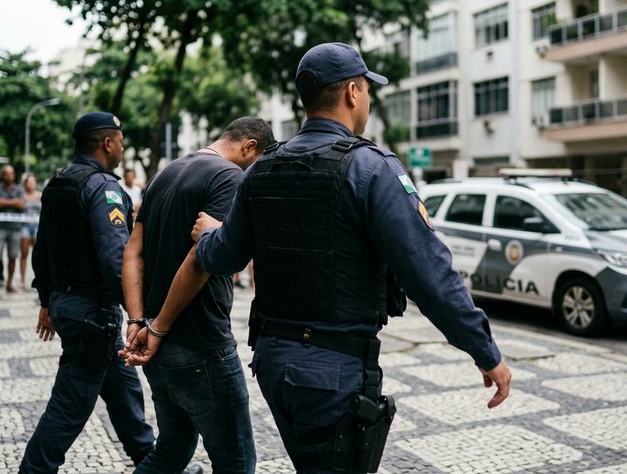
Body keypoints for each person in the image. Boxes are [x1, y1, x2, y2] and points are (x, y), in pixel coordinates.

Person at [137, 42, 513, 473]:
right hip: (334, 371)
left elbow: (223, 256)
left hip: (274, 365)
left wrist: (209, 235)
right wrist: (484, 350)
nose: (368, 98)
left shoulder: (262, 168)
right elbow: (429, 272)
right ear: (353, 92)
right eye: (367, 89)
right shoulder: (371, 167)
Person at [119, 117, 275, 473]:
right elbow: (199, 259)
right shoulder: (230, 177)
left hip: (158, 348)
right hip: (200, 345)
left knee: (171, 452)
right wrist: (157, 327)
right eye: (258, 162)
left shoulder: (165, 173)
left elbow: (132, 252)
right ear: (249, 147)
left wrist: (137, 320)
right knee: (236, 462)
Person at [21, 112, 161, 474]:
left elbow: (42, 249)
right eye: (121, 141)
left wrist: (47, 300)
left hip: (71, 304)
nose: (122, 148)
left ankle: (151, 463)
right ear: (108, 143)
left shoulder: (58, 183)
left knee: (123, 389)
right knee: (71, 403)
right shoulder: (104, 188)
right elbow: (115, 260)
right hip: (92, 312)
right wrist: (138, 316)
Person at [0, 165, 25, 293]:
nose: (9, 176)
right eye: (7, 173)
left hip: (15, 228)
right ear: (2, 175)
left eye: (11, 173)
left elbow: (22, 204)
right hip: (0, 227)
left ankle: (9, 283)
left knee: (13, 256)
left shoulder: (19, 189)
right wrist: (14, 201)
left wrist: (4, 202)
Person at [20, 174, 42, 290]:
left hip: (37, 227)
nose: (32, 184)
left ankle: (39, 279)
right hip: (25, 226)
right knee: (24, 254)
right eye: (29, 182)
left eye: (33, 182)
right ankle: (22, 281)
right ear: (25, 184)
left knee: (38, 255)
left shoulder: (40, 195)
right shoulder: (22, 195)